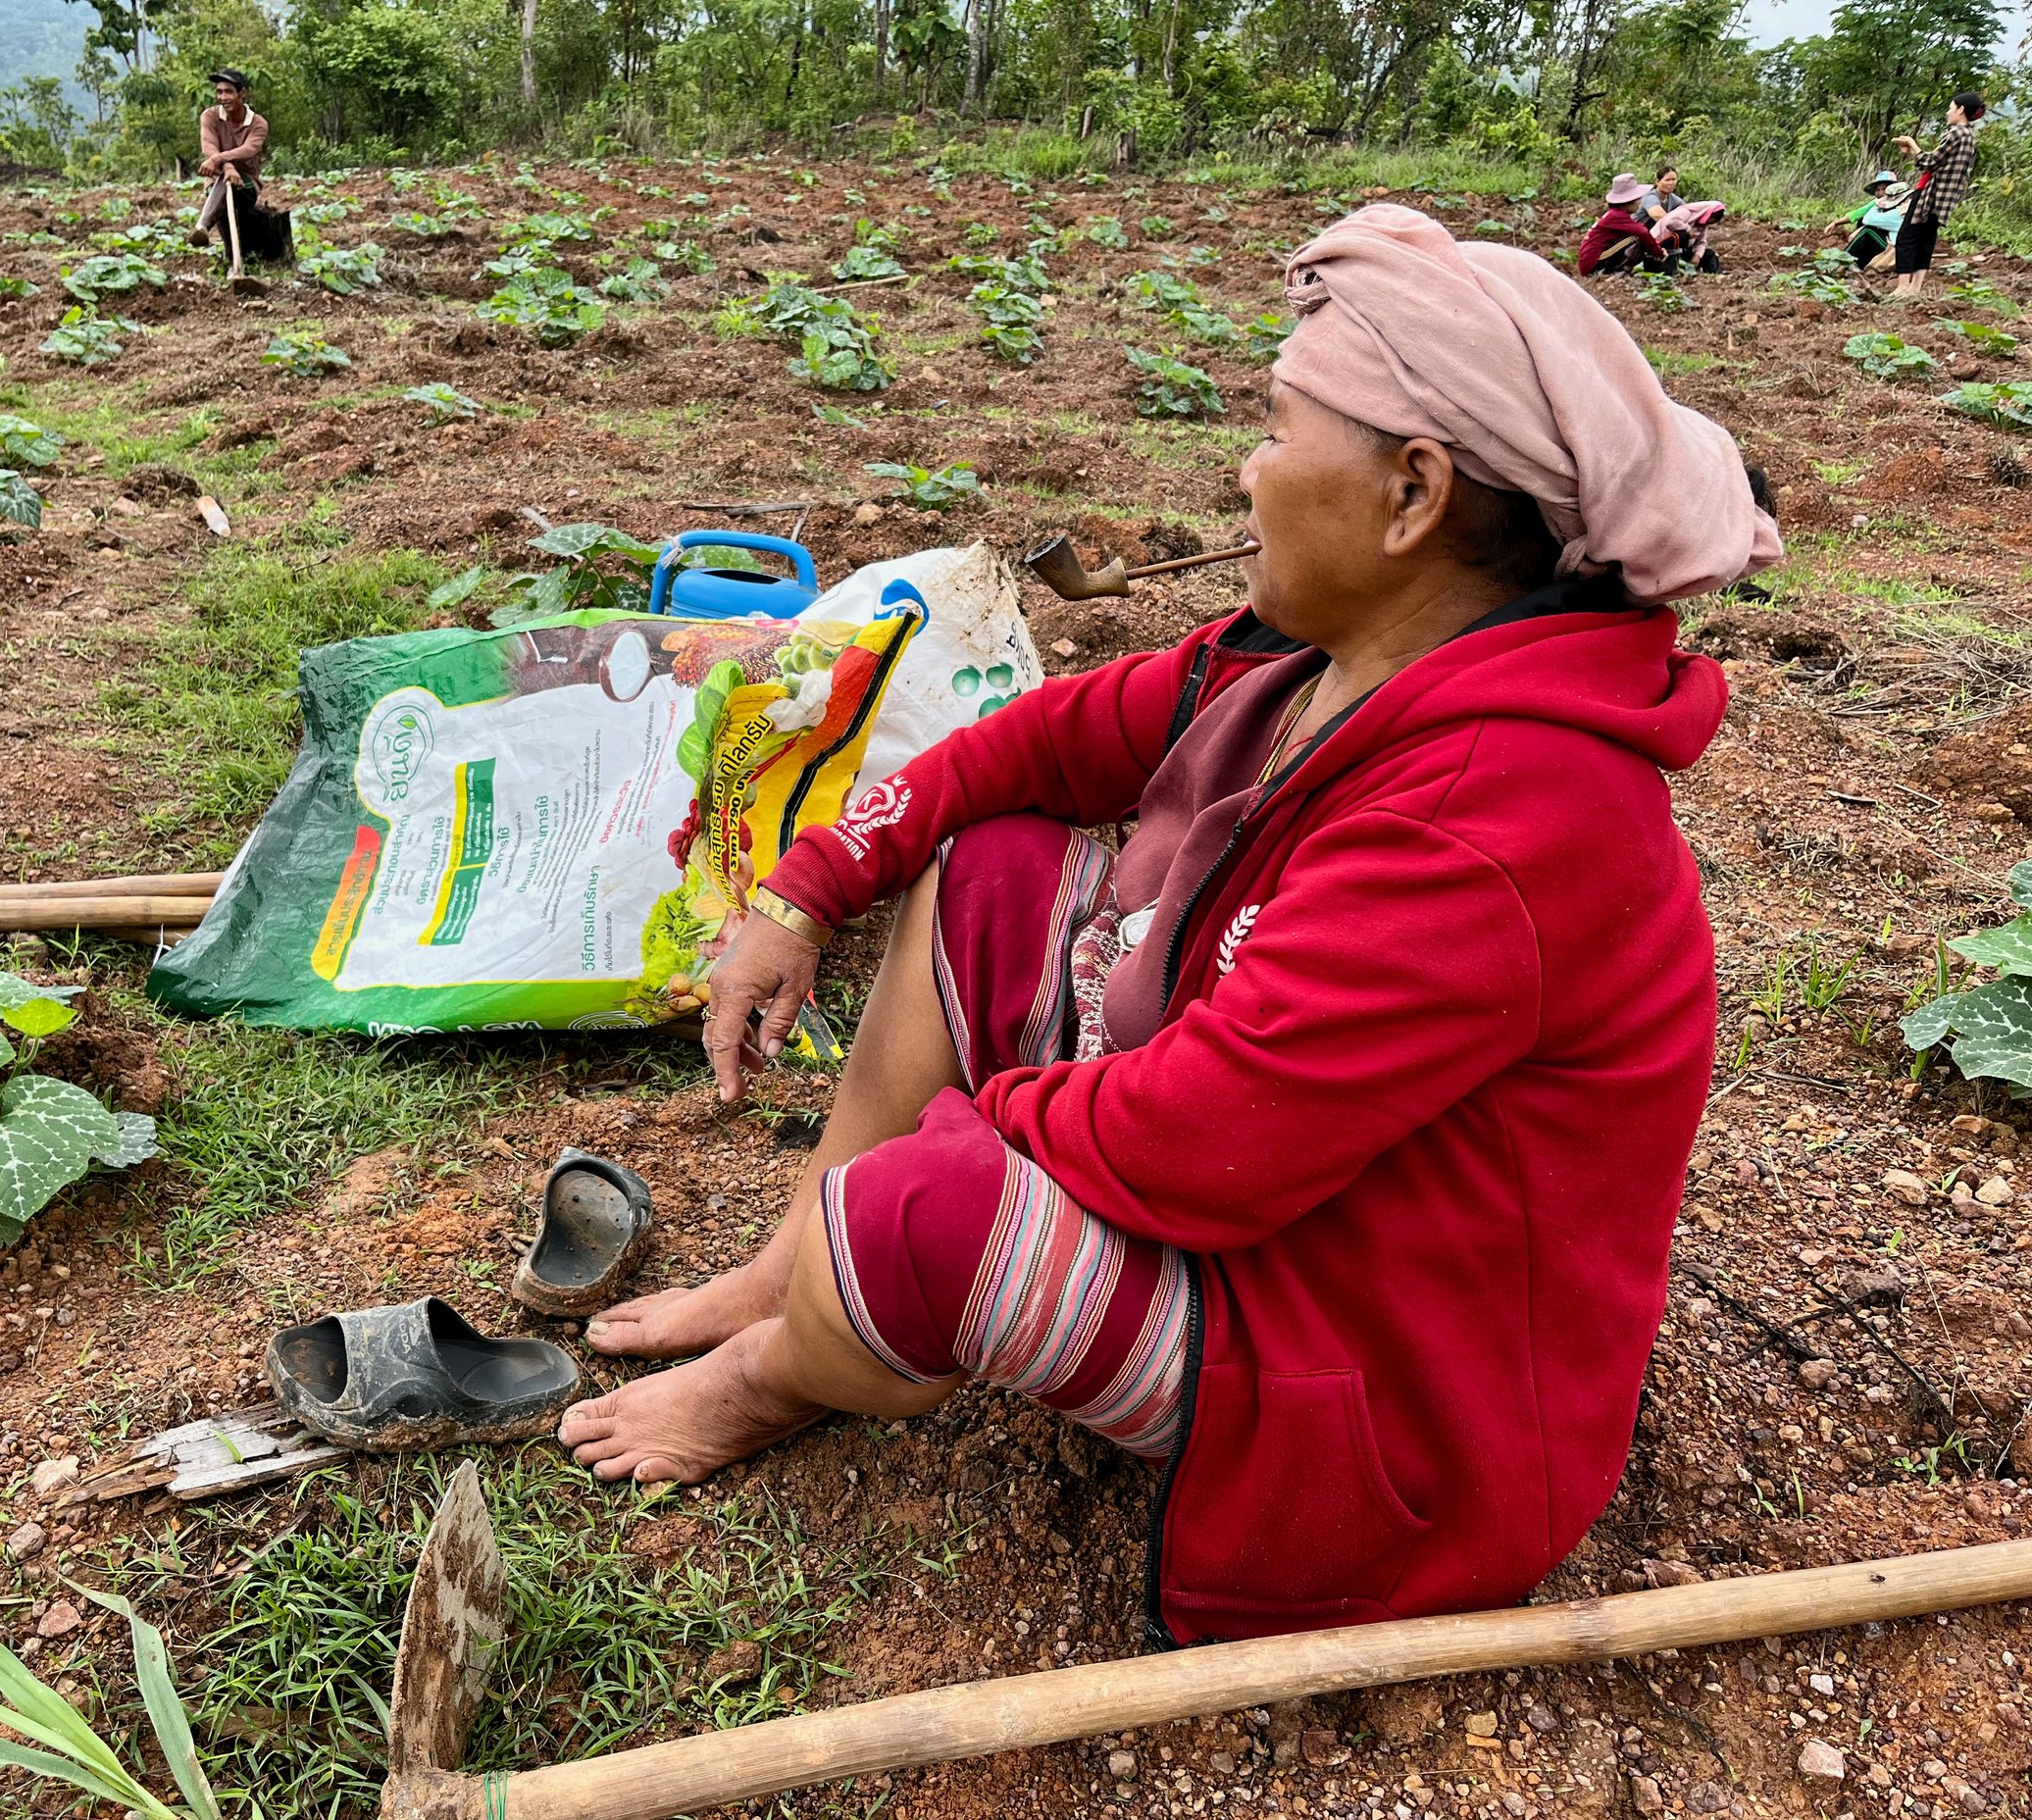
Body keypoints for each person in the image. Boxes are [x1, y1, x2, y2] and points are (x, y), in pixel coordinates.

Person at [560, 202, 1781, 1645]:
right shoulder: (1310, 669)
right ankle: (789, 1274)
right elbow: (1022, 750)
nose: (1246, 468)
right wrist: (808, 884)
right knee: (994, 870)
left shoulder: (1504, 811)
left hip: (1387, 1397)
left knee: (927, 1215)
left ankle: (777, 1369)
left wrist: (964, 1140)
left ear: (1411, 494)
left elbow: (1197, 1144)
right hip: (1293, 1199)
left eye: (1275, 425)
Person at [1890, 90, 1987, 298]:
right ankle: (1915, 288)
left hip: (1930, 196)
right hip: (1945, 200)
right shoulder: (1969, 137)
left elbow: (1930, 162)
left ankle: (1903, 287)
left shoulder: (1955, 134)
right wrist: (1913, 154)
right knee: (1926, 240)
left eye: (1951, 108)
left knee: (1906, 237)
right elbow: (1938, 165)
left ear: (1960, 110)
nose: (1948, 112)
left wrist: (1912, 144)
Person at [192, 69, 270, 253]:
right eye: (219, 92)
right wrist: (227, 167)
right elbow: (209, 145)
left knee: (229, 186)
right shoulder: (209, 116)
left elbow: (249, 150)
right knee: (221, 189)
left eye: (229, 92)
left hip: (247, 183)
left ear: (242, 94)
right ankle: (233, 260)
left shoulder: (258, 123)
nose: (223, 97)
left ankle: (202, 225)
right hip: (217, 181)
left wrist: (219, 159)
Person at [1578, 175, 1678, 276]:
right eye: (1637, 200)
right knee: (1635, 238)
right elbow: (1642, 232)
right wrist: (1659, 252)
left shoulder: (1615, 214)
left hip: (1591, 259)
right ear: (1627, 202)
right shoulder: (1616, 216)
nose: (1640, 203)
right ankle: (1615, 272)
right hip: (1593, 262)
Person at [1845, 171, 1908, 270]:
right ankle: (1857, 264)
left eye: (1885, 189)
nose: (1881, 193)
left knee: (1868, 231)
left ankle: (1842, 261)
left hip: (1896, 250)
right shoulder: (1898, 208)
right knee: (1867, 228)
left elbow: (1868, 219)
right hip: (1895, 245)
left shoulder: (1899, 212)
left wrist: (1880, 203)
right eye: (1878, 190)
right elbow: (1859, 214)